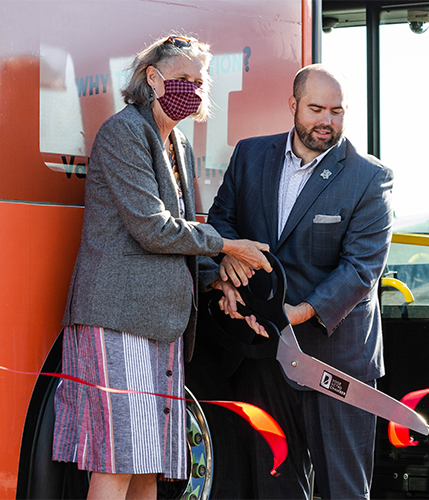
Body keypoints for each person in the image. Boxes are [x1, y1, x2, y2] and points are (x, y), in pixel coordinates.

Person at [51, 34, 270, 500]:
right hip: (118, 321)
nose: (192, 88)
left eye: (199, 79)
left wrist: (216, 282)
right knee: (116, 462)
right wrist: (227, 245)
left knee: (149, 467)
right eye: (181, 78)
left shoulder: (179, 146)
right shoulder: (123, 133)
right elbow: (153, 227)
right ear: (152, 78)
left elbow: (181, 235)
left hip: (161, 328)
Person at [208, 64, 394, 500]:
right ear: (292, 105)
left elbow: (361, 269)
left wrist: (297, 313)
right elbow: (221, 225)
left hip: (337, 359)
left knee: (343, 489)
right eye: (315, 109)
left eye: (337, 111)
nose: (326, 121)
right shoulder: (250, 155)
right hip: (262, 354)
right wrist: (225, 277)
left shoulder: (370, 177)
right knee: (274, 487)